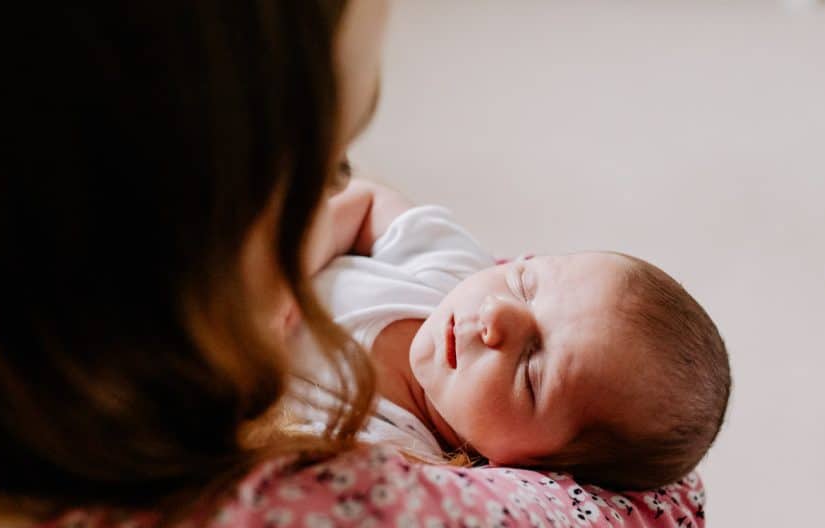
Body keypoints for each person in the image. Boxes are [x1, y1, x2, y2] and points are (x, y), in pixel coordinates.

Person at [0, 2, 706, 528]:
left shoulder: (417, 470)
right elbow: (377, 208)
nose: (497, 317)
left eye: (530, 372)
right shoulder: (439, 283)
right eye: (321, 151)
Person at [295, 180, 731, 490]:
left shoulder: (400, 460)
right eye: (524, 284)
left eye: (531, 370)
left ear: (537, 466)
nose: (497, 315)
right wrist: (284, 272)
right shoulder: (451, 269)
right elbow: (368, 202)